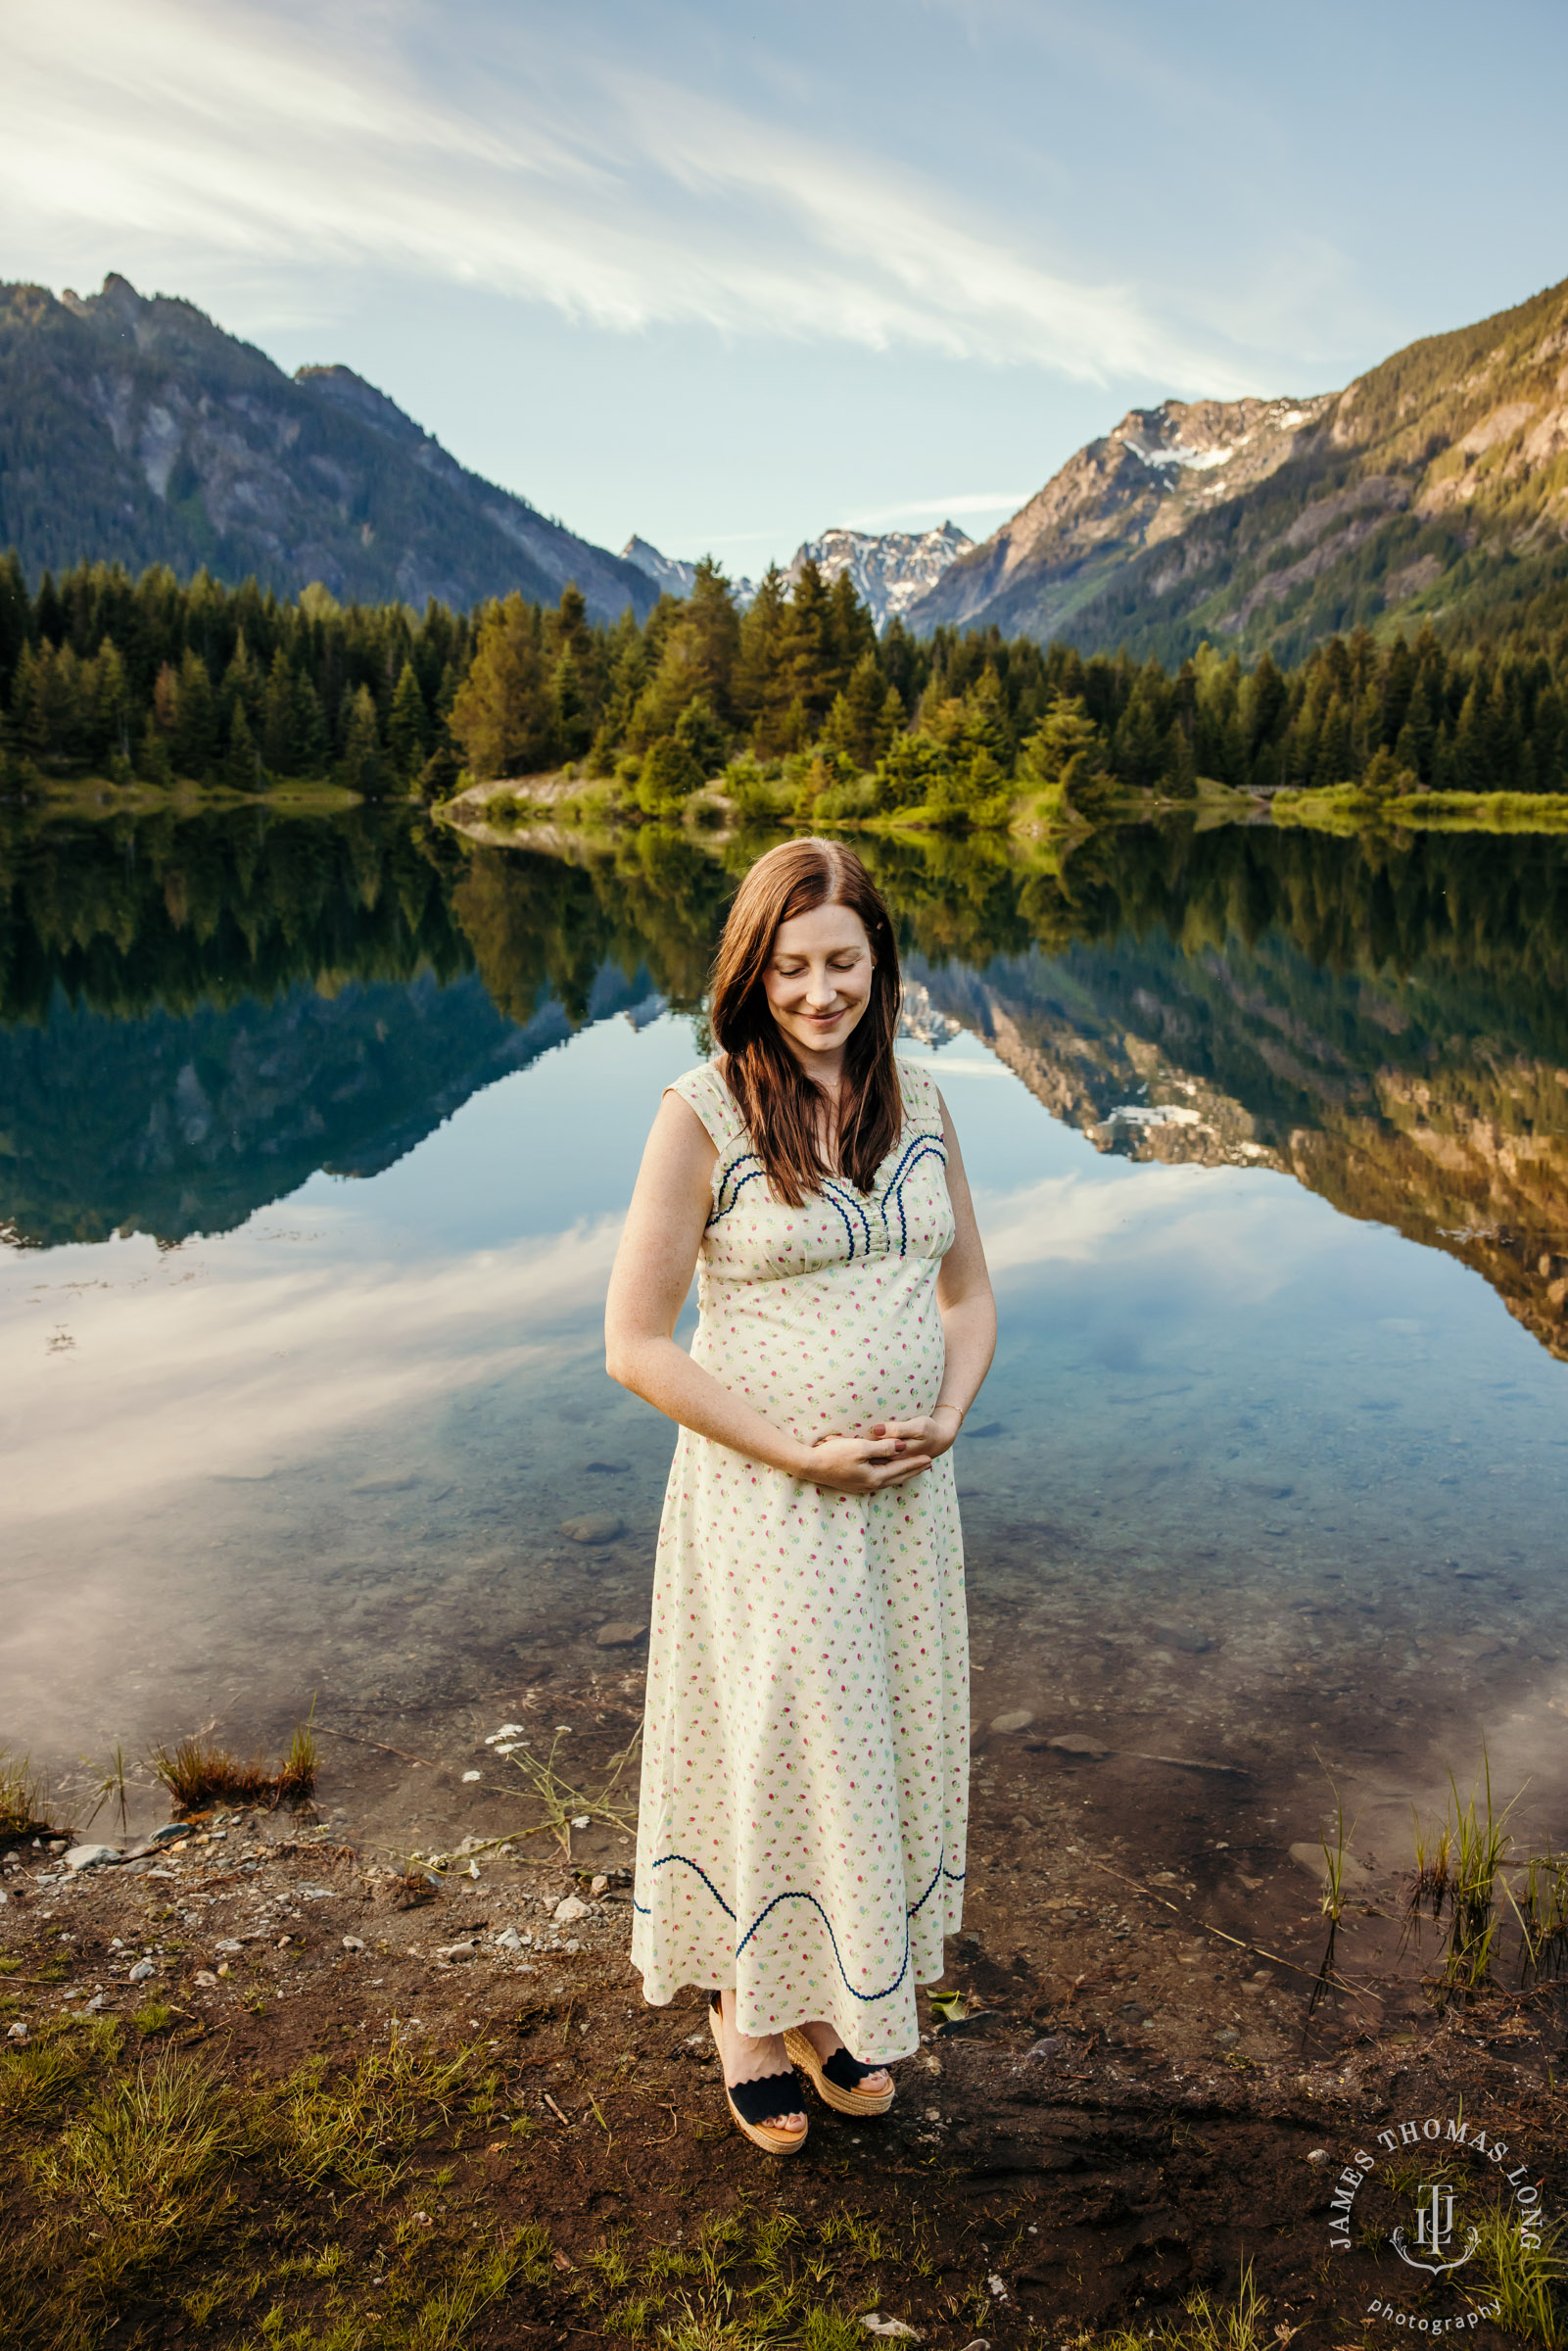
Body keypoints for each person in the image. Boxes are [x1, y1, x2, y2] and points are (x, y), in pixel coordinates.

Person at [604, 838, 996, 2153]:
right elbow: (637, 1343)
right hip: (769, 1503)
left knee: (869, 1748)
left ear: (878, 960)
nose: (817, 992)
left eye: (840, 962)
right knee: (769, 1749)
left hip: (899, 1509)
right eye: (789, 967)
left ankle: (825, 2001)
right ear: (750, 971)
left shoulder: (926, 1102)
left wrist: (944, 1414)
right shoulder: (702, 1112)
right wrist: (796, 1453)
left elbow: (969, 1296)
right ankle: (744, 2012)